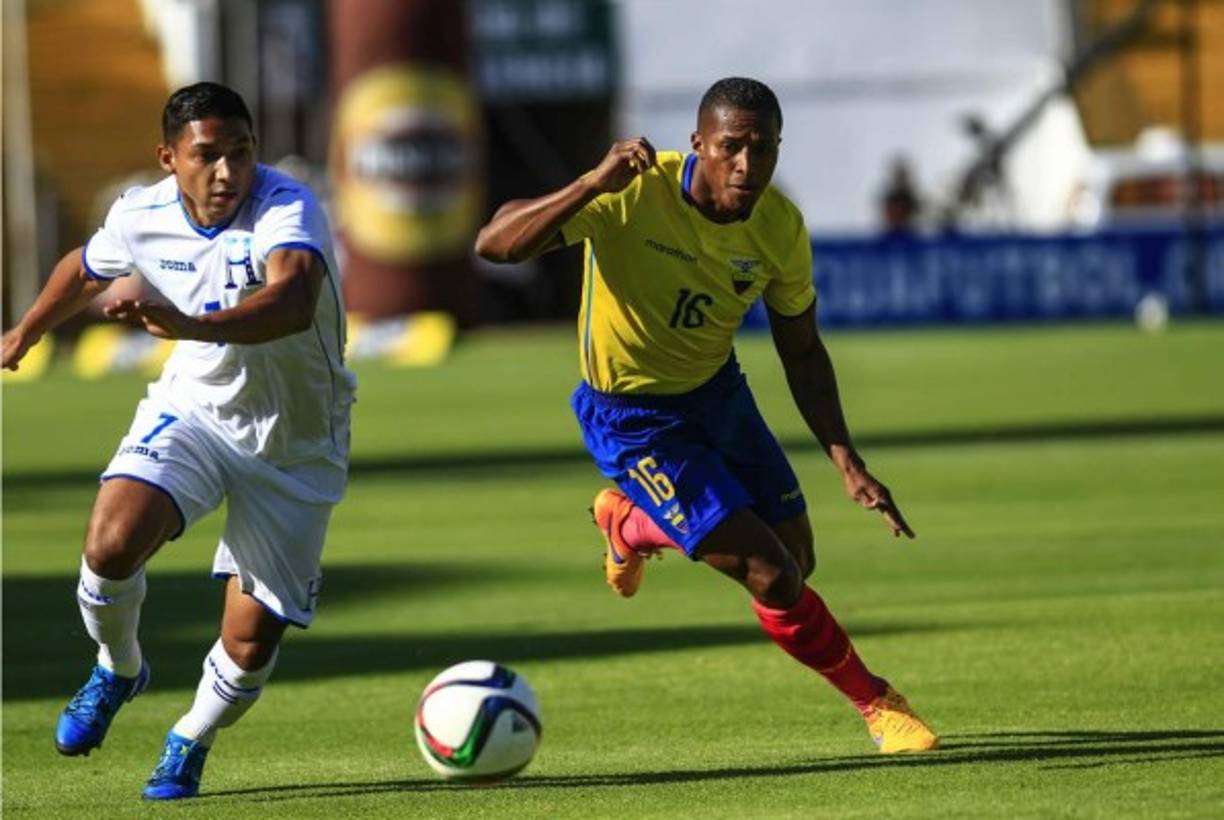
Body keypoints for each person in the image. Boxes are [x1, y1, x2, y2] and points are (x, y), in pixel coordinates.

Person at [474, 77, 937, 754]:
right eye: (732, 147)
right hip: (633, 417)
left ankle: (628, 524)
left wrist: (847, 460)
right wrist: (591, 183)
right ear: (698, 144)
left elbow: (802, 351)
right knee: (770, 573)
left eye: (764, 149)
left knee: (798, 561)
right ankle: (878, 704)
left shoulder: (779, 228)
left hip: (717, 394)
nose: (748, 165)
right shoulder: (632, 190)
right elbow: (495, 243)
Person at [2, 82, 356, 799]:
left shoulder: (287, 206)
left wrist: (187, 323)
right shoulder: (141, 213)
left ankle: (188, 737)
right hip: (193, 408)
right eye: (208, 156)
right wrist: (26, 330)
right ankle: (119, 668)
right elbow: (85, 264)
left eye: (241, 153)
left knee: (252, 641)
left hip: (295, 438)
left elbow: (289, 305)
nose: (228, 172)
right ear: (169, 158)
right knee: (109, 541)